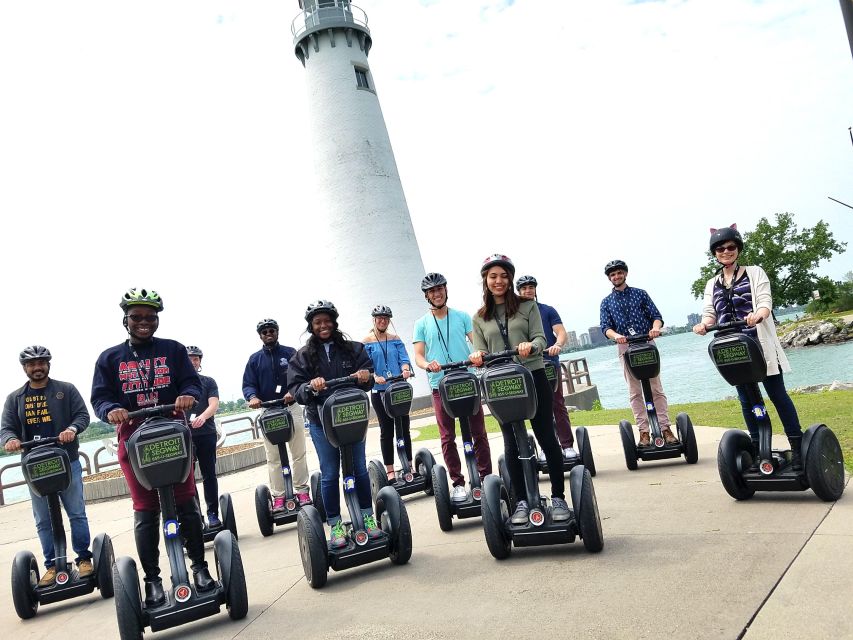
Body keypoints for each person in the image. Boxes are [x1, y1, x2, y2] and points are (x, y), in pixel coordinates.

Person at [91, 288, 213, 608]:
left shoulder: (173, 350)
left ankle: (199, 567)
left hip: (173, 436)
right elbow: (100, 398)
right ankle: (153, 580)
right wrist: (110, 410)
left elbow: (192, 383)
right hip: (134, 440)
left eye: (150, 316)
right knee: (146, 513)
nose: (144, 322)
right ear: (126, 320)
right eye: (137, 317)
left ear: (157, 319)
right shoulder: (109, 358)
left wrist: (187, 395)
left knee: (186, 504)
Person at [468, 254, 570, 524]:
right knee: (511, 443)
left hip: (533, 375)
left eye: (503, 275)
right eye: (493, 276)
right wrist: (477, 355)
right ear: (486, 281)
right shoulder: (479, 317)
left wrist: (531, 346)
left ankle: (559, 496)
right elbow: (479, 348)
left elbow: (540, 337)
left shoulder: (527, 306)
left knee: (546, 435)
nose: (498, 281)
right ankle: (522, 501)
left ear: (510, 278)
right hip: (501, 383)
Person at [693, 225, 804, 469]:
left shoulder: (755, 273)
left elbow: (765, 301)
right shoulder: (712, 283)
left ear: (738, 249)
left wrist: (759, 314)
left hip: (759, 345)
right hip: (731, 349)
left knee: (777, 394)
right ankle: (757, 450)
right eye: (720, 249)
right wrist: (703, 325)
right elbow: (710, 313)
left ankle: (797, 448)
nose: (726, 252)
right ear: (715, 254)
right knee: (747, 399)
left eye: (731, 247)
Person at [287, 300, 380, 548]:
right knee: (329, 473)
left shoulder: (353, 348)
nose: (323, 325)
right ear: (311, 326)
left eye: (327, 320)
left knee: (359, 468)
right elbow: (295, 389)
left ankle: (369, 519)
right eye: (317, 322)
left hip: (352, 418)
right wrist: (309, 386)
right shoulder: (302, 357)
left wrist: (364, 376)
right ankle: (336, 524)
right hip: (321, 422)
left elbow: (369, 374)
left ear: (334, 321)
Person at [1, 346, 93, 587]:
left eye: (41, 363)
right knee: (42, 519)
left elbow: (82, 416)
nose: (37, 367)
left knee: (76, 512)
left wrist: (71, 430)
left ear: (48, 365)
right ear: (25, 368)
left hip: (66, 461)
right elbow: (6, 428)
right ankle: (52, 564)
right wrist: (10, 440)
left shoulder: (66, 390)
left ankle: (84, 558)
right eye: (32, 364)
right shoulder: (15, 398)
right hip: (35, 466)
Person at [413, 272, 492, 503]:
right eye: (432, 291)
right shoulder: (421, 323)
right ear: (427, 296)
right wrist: (428, 364)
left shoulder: (462, 316)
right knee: (447, 437)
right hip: (440, 386)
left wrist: (478, 353)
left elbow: (477, 343)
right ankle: (457, 483)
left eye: (440, 289)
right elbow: (418, 356)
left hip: (467, 381)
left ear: (446, 290)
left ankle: (486, 477)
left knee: (479, 432)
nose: (437, 294)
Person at [599, 260, 677, 448]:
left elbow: (656, 317)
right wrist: (617, 336)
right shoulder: (606, 302)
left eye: (619, 273)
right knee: (634, 392)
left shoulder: (640, 294)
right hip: (625, 347)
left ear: (625, 273)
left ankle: (665, 428)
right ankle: (643, 432)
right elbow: (606, 327)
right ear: (609, 278)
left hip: (646, 343)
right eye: (612, 275)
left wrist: (655, 329)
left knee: (656, 387)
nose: (616, 277)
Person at [242, 318, 311, 509]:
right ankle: (279, 496)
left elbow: (302, 375)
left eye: (271, 330)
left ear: (277, 332)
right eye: (264, 332)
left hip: (291, 408)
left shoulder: (290, 353)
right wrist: (253, 397)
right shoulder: (254, 359)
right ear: (260, 336)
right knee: (273, 457)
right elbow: (248, 384)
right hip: (268, 412)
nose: (268, 334)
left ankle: (302, 491)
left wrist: (293, 391)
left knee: (298, 452)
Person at [516, 274, 578, 459]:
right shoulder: (515, 314)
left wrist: (557, 345)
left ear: (535, 290)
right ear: (518, 291)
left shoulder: (547, 310)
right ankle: (545, 447)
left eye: (531, 287)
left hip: (550, 363)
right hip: (528, 367)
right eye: (524, 288)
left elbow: (560, 332)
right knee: (536, 408)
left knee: (557, 403)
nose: (528, 290)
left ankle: (567, 445)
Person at [362, 304, 413, 482]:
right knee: (387, 430)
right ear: (374, 320)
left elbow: (404, 359)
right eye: (379, 318)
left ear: (389, 320)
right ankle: (390, 469)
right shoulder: (367, 341)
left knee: (404, 427)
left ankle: (409, 464)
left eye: (386, 318)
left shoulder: (395, 338)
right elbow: (365, 366)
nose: (382, 321)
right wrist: (374, 376)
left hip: (398, 388)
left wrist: (405, 369)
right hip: (380, 391)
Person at [186, 346, 221, 529]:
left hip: (206, 433)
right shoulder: (178, 385)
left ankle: (213, 514)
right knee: (187, 480)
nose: (193, 362)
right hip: (185, 437)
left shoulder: (208, 382)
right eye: (189, 359)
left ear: (200, 362)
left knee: (209, 475)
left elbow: (214, 404)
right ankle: (195, 517)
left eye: (196, 359)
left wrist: (203, 417)